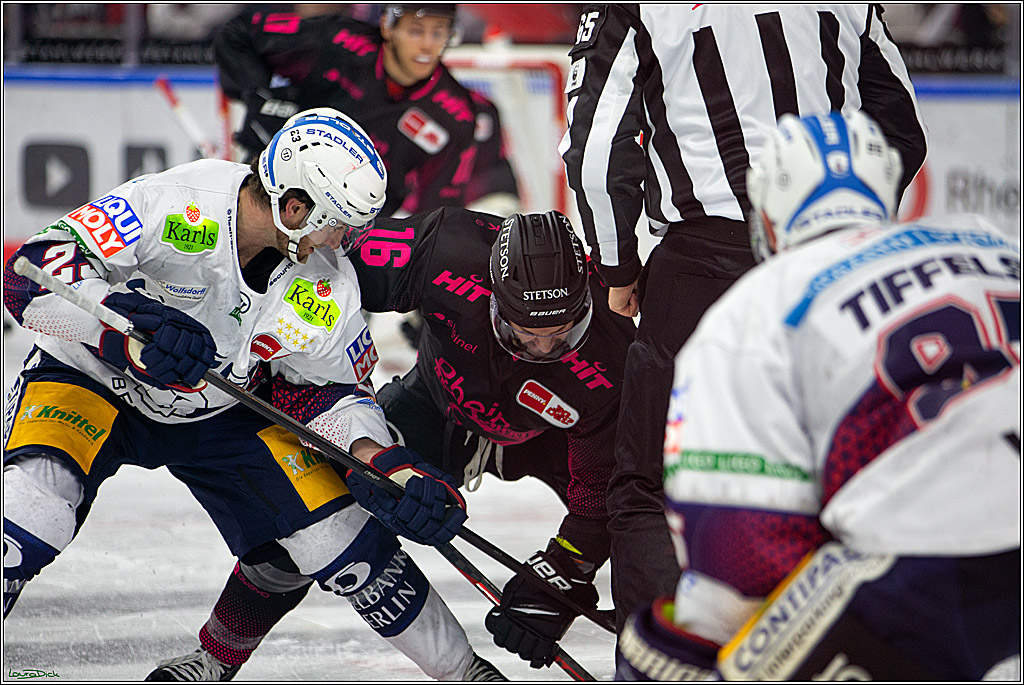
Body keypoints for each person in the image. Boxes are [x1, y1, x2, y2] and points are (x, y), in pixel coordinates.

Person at [2, 108, 505, 682]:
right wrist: (124, 331)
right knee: (33, 506)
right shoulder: (176, 201)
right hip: (93, 379)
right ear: (295, 206)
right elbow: (27, 271)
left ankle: (467, 673)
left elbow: (332, 394)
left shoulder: (329, 282)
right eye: (340, 223)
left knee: (342, 538)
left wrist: (382, 463)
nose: (347, 241)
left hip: (220, 411)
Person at [558, 3, 929, 638]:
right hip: (828, 260)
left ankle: (668, 666)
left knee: (653, 480)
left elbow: (595, 148)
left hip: (705, 261)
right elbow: (900, 126)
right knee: (838, 465)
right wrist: (849, 228)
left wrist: (618, 270)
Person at [617, 110, 1021, 680]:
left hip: (936, 567)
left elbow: (739, 557)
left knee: (659, 654)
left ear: (770, 218)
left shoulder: (758, 306)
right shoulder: (996, 246)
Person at [151, 209, 637, 676]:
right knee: (320, 510)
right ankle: (216, 657)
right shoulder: (447, 246)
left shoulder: (617, 344)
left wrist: (562, 572)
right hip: (437, 409)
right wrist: (260, 346)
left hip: (552, 440)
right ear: (491, 293)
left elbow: (605, 494)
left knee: (643, 526)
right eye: (524, 334)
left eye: (561, 334)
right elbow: (321, 269)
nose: (543, 349)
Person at [213, 3, 520, 218]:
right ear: (388, 26)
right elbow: (238, 34)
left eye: (438, 32)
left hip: (355, 235)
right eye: (416, 31)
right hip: (279, 191)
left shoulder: (456, 115)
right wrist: (259, 99)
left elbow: (437, 215)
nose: (428, 45)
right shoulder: (339, 42)